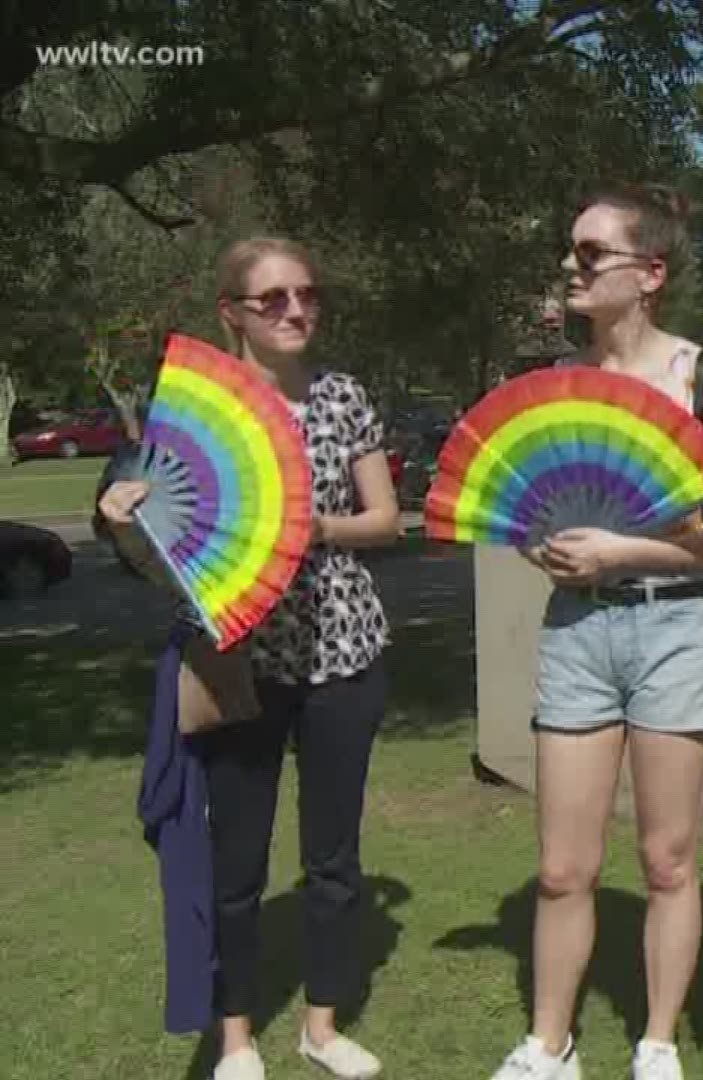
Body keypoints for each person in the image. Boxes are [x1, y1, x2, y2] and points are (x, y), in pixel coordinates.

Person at [98, 237, 402, 1080]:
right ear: (231, 314)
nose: (298, 311)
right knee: (238, 862)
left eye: (308, 294)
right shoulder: (187, 414)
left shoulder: (344, 397)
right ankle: (236, 1036)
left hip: (346, 654)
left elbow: (387, 520)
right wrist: (127, 522)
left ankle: (321, 1025)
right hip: (238, 666)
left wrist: (312, 528)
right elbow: (166, 557)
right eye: (273, 300)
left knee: (334, 861)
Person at [487, 183, 703, 1080]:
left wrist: (623, 549)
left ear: (651, 273)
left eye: (591, 254)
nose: (572, 267)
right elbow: (526, 520)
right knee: (563, 866)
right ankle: (548, 1045)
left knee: (669, 859)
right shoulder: (556, 387)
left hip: (675, 631)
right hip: (579, 632)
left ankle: (656, 1044)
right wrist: (554, 554)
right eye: (572, 251)